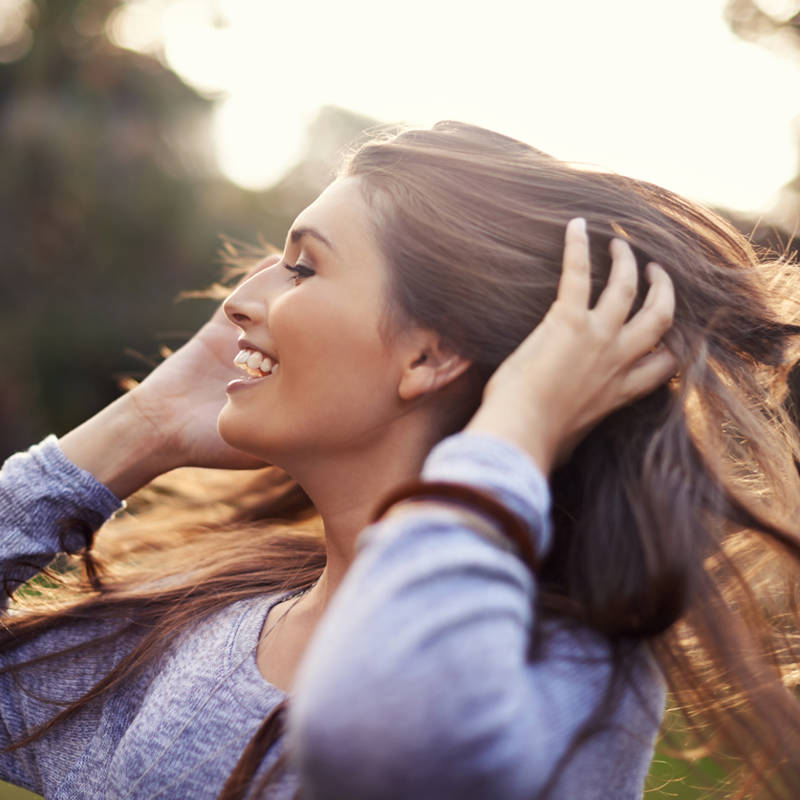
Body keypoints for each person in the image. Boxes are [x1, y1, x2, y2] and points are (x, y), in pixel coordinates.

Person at [0, 121, 798, 800]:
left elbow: (371, 724)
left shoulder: (566, 669)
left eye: (305, 266)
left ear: (432, 355)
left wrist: (517, 423)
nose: (239, 303)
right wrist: (143, 427)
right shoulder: (213, 627)